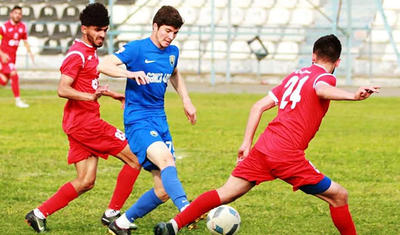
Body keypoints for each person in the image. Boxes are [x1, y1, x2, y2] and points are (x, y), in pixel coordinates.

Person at [154, 34, 380, 235]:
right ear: (338, 61)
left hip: (264, 147)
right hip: (286, 154)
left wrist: (246, 143)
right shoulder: (326, 77)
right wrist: (353, 95)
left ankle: (173, 225)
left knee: (226, 192)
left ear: (313, 55)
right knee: (339, 196)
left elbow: (258, 106)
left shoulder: (295, 76)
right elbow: (321, 88)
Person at [25, 3, 141, 233]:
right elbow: (63, 89)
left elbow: (90, 84)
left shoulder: (91, 52)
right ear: (84, 29)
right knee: (135, 158)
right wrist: (90, 97)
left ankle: (37, 214)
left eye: (105, 29)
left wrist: (110, 94)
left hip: (76, 123)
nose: (102, 34)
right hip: (86, 124)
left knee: (86, 181)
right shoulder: (77, 54)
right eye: (97, 29)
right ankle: (113, 215)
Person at [98, 5, 197, 235]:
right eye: (166, 31)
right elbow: (104, 65)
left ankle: (121, 223)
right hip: (137, 121)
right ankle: (186, 209)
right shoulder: (137, 49)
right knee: (166, 161)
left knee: (162, 190)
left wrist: (186, 100)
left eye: (175, 33)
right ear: (155, 27)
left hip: (160, 120)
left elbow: (174, 73)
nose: (170, 37)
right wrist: (130, 73)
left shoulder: (173, 52)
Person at [0, 5, 34, 108]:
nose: (18, 15)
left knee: (4, 81)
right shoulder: (4, 27)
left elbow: (25, 40)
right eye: (16, 13)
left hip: (12, 58)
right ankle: (18, 101)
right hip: (4, 58)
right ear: (11, 14)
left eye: (19, 14)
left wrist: (30, 52)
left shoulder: (22, 27)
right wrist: (2, 54)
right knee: (14, 75)